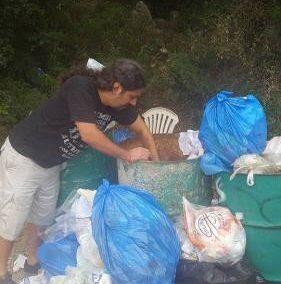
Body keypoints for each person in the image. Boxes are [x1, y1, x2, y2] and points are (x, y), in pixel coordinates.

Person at [0, 59, 159, 283]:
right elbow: (89, 134)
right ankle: (2, 272)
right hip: (24, 155)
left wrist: (157, 160)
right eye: (131, 96)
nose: (133, 103)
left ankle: (32, 262)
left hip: (50, 163)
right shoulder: (81, 87)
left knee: (43, 218)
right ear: (117, 88)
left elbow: (141, 127)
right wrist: (127, 155)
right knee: (12, 219)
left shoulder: (116, 106)